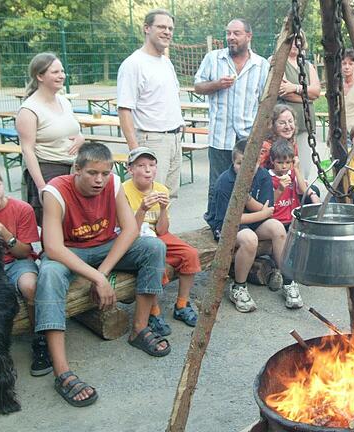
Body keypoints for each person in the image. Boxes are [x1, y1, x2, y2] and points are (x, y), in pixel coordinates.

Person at [36, 142, 169, 407]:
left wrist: (104, 271)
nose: (100, 180)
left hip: (104, 246)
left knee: (154, 247)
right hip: (69, 250)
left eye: (105, 173)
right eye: (92, 173)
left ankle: (139, 329)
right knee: (49, 275)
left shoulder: (114, 184)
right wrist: (98, 279)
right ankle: (61, 371)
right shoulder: (55, 191)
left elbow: (130, 230)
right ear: (77, 169)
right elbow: (51, 246)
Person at [206, 139, 302, 312]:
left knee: (278, 229)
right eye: (239, 163)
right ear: (233, 162)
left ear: (258, 161)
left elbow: (267, 207)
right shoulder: (225, 182)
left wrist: (250, 202)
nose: (245, 168)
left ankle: (288, 281)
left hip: (251, 217)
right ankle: (239, 287)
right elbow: (229, 220)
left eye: (251, 163)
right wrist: (261, 214)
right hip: (226, 225)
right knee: (250, 239)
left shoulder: (262, 175)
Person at [0, 162, 49, 377]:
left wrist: (7, 235)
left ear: (3, 183)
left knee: (30, 286)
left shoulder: (22, 209)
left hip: (15, 262)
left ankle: (40, 338)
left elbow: (24, 252)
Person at [195, 18, 270, 223]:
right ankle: (215, 223)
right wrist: (216, 84)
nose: (230, 37)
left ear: (248, 36)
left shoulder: (261, 64)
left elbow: (266, 100)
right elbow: (198, 87)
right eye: (228, 33)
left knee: (248, 183)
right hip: (220, 136)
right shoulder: (213, 58)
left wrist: (263, 134)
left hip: (247, 138)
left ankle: (247, 223)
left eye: (236, 33)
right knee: (218, 184)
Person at [122, 147, 201, 335]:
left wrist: (164, 209)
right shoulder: (122, 191)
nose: (148, 170)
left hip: (156, 234)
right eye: (141, 165)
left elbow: (162, 230)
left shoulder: (161, 189)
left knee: (190, 254)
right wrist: (142, 209)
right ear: (130, 169)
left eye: (151, 165)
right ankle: (154, 311)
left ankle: (182, 305)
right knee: (157, 263)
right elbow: (128, 231)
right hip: (136, 236)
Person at [117, 9, 185, 196]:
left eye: (170, 28)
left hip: (174, 139)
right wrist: (136, 153)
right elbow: (124, 110)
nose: (167, 32)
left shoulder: (166, 62)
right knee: (148, 198)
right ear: (146, 28)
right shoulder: (134, 64)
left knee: (167, 197)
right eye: (161, 27)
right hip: (152, 140)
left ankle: (163, 227)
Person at [15, 52, 84, 225]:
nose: (62, 76)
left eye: (62, 71)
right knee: (54, 225)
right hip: (49, 169)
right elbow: (27, 150)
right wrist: (41, 186)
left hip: (74, 167)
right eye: (55, 72)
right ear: (39, 76)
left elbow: (75, 128)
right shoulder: (29, 110)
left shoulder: (64, 102)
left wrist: (81, 138)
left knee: (75, 223)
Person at [277, 31, 321, 180]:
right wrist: (307, 96)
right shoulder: (278, 61)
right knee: (284, 168)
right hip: (283, 127)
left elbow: (316, 92)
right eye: (292, 40)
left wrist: (296, 88)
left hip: (305, 125)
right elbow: (283, 92)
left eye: (299, 40)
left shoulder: (307, 66)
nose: (295, 44)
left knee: (304, 170)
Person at [268, 139, 320, 230]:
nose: (284, 166)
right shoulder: (268, 178)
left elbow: (304, 190)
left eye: (288, 162)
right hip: (277, 220)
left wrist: (296, 169)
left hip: (294, 217)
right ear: (272, 161)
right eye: (279, 162)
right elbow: (269, 203)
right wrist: (280, 189)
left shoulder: (292, 174)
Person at [258, 104, 298, 169]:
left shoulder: (292, 143)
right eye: (282, 123)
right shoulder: (266, 147)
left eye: (290, 121)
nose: (288, 126)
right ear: (272, 125)